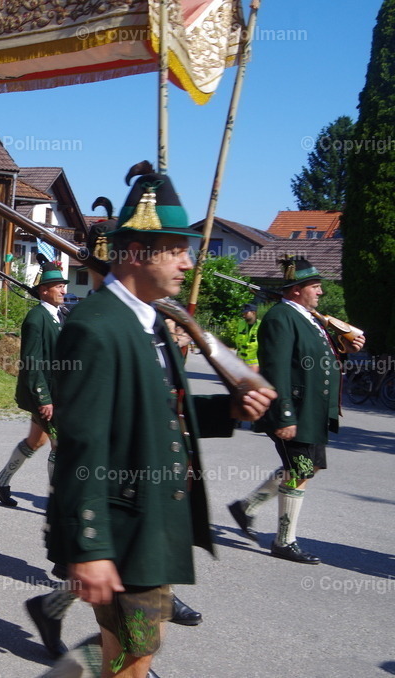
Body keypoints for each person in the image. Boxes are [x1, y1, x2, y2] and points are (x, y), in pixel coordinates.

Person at [41, 167, 274, 677]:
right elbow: (82, 444)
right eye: (177, 250)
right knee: (135, 654)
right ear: (136, 252)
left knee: (138, 644)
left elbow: (159, 408)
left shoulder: (150, 319)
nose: (190, 263)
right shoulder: (96, 328)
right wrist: (90, 548)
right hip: (120, 524)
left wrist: (229, 409)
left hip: (152, 521)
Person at [228, 257, 364, 565]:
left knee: (308, 468)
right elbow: (277, 371)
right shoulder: (281, 317)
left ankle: (246, 507)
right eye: (315, 287)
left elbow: (318, 354)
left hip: (312, 410)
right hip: (296, 411)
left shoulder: (307, 317)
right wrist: (285, 415)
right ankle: (284, 541)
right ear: (297, 290)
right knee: (301, 469)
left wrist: (344, 348)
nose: (320, 292)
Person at [0, 260, 67, 508]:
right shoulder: (36, 318)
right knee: (58, 444)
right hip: (45, 394)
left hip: (57, 392)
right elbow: (32, 361)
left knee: (37, 440)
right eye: (57, 286)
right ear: (44, 290)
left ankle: (0, 482)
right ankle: (57, 502)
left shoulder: (58, 315)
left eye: (64, 285)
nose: (64, 290)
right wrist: (43, 399)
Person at [233, 303, 261, 372]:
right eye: (243, 313)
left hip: (254, 364)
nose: (243, 315)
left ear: (253, 313)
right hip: (240, 363)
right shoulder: (241, 324)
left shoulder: (261, 325)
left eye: (246, 313)